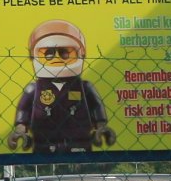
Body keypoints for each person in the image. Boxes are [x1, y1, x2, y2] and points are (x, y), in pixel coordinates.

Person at [6, 19, 117, 153]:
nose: (56, 58)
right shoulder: (33, 89)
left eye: (64, 52)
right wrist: (20, 130)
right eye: (48, 54)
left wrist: (101, 126)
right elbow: (23, 110)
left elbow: (96, 105)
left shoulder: (84, 87)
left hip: (80, 144)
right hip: (43, 145)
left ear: (79, 53)